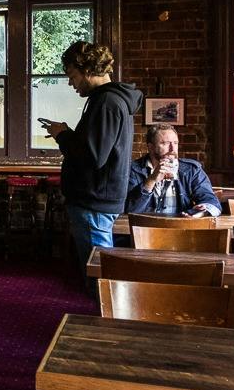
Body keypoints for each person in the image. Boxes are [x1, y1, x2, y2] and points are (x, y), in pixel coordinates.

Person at [41, 42, 142, 270]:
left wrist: (62, 136)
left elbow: (93, 156)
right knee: (98, 272)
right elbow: (97, 148)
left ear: (86, 69)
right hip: (99, 201)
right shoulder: (111, 100)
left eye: (72, 75)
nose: (70, 83)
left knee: (98, 275)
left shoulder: (106, 102)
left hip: (93, 203)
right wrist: (67, 133)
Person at [125, 124, 222, 217]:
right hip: (141, 231)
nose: (172, 148)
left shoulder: (192, 170)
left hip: (180, 230)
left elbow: (212, 202)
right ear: (150, 147)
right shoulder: (133, 170)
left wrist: (201, 212)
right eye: (165, 143)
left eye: (175, 143)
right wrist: (151, 180)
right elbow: (131, 210)